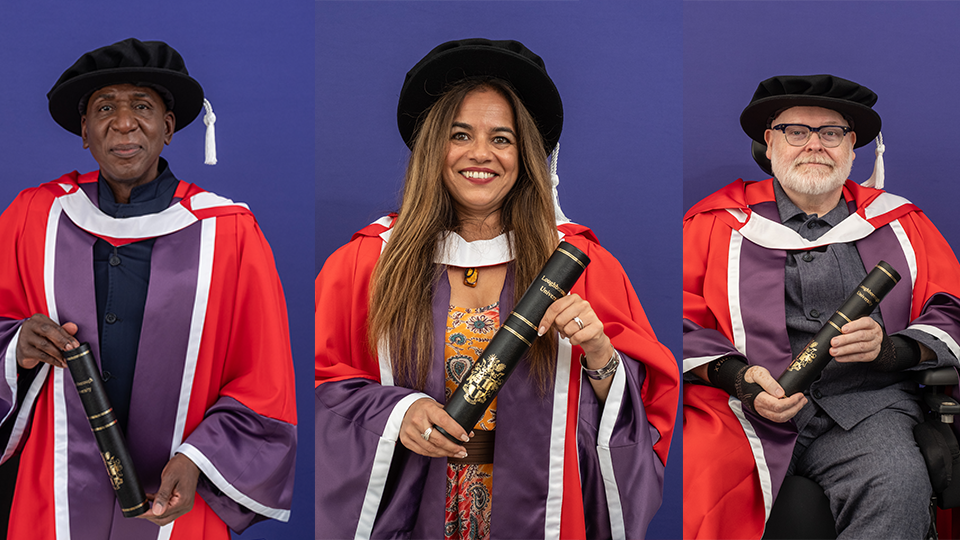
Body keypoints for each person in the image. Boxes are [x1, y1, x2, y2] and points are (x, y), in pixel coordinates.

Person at [315, 38, 679, 539]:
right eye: (459, 134)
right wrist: (397, 413)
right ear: (432, 148)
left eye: (502, 138)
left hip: (538, 514)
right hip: (415, 509)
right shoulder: (367, 263)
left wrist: (599, 354)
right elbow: (314, 387)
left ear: (526, 154)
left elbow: (646, 408)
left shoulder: (579, 264)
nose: (480, 154)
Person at [0, 38, 297, 539]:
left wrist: (199, 460)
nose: (122, 123)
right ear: (84, 131)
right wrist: (16, 348)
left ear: (169, 127)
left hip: (175, 496)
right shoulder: (33, 217)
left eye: (141, 106)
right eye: (103, 109)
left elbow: (263, 382)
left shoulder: (229, 232)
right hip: (51, 493)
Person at [683, 74, 960, 539]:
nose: (814, 145)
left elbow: (952, 308)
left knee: (897, 481)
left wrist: (892, 350)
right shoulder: (715, 224)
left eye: (830, 132)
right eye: (796, 131)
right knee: (695, 483)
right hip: (743, 412)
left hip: (868, 411)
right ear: (769, 144)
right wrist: (739, 378)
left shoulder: (901, 224)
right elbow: (680, 320)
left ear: (852, 147)